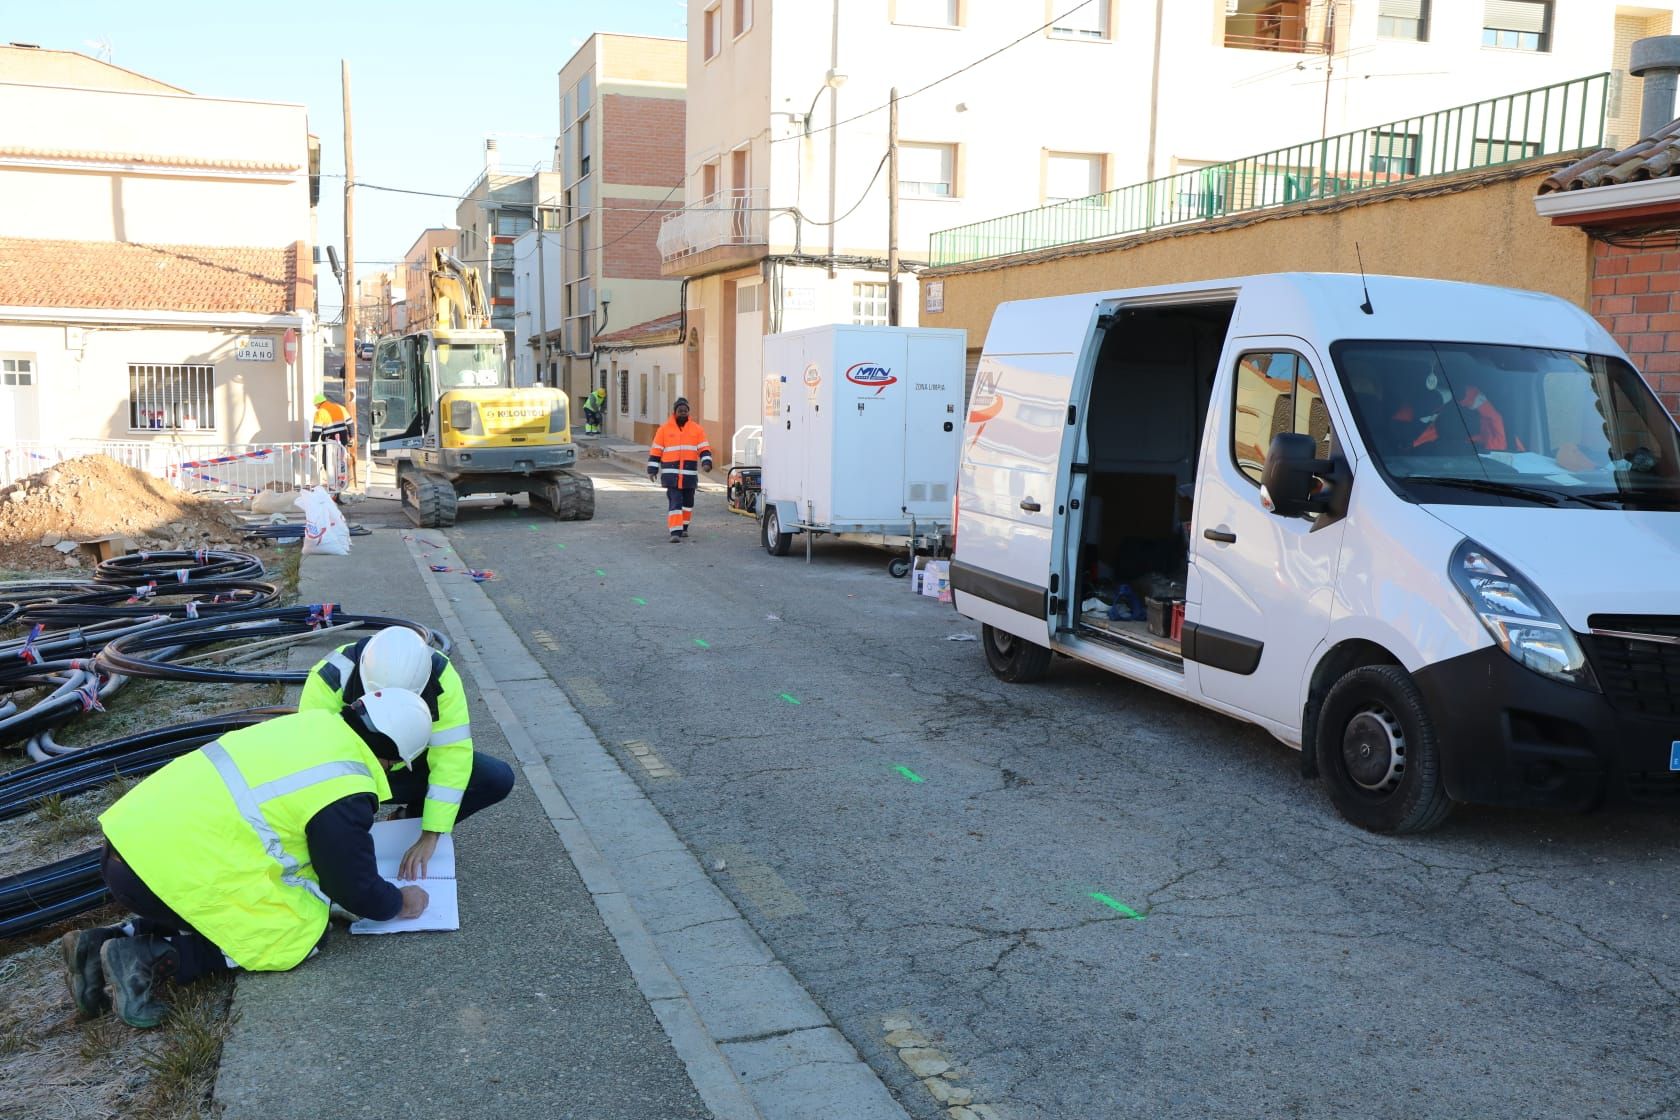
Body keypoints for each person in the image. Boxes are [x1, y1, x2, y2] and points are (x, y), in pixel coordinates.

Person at [60, 691, 435, 1028]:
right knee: (296, 934)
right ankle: (146, 957)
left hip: (126, 848)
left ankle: (99, 944)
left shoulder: (311, 726)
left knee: (238, 904)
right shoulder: (346, 784)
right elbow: (350, 884)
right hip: (160, 875)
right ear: (391, 756)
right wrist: (398, 902)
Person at [297, 626, 513, 879]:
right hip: (354, 771)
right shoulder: (331, 677)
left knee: (495, 778)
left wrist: (432, 833)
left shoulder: (439, 676)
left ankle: (405, 820)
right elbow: (318, 764)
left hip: (408, 767)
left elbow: (451, 757)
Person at [647, 397, 712, 542]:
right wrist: (652, 469)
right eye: (680, 411)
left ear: (689, 412)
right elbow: (656, 451)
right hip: (671, 476)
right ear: (674, 412)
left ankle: (684, 527)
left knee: (688, 502)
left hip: (689, 475)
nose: (683, 413)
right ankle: (675, 532)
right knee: (675, 502)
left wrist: (706, 462)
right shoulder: (663, 430)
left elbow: (704, 448)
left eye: (685, 411)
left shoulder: (697, 429)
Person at [311, 391, 351, 472]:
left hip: (330, 441)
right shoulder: (340, 407)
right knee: (341, 460)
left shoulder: (319, 412)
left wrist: (312, 445)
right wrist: (352, 436)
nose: (316, 407)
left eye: (316, 405)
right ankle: (341, 481)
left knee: (328, 463)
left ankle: (332, 482)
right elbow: (350, 423)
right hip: (343, 439)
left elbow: (316, 431)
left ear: (319, 403)